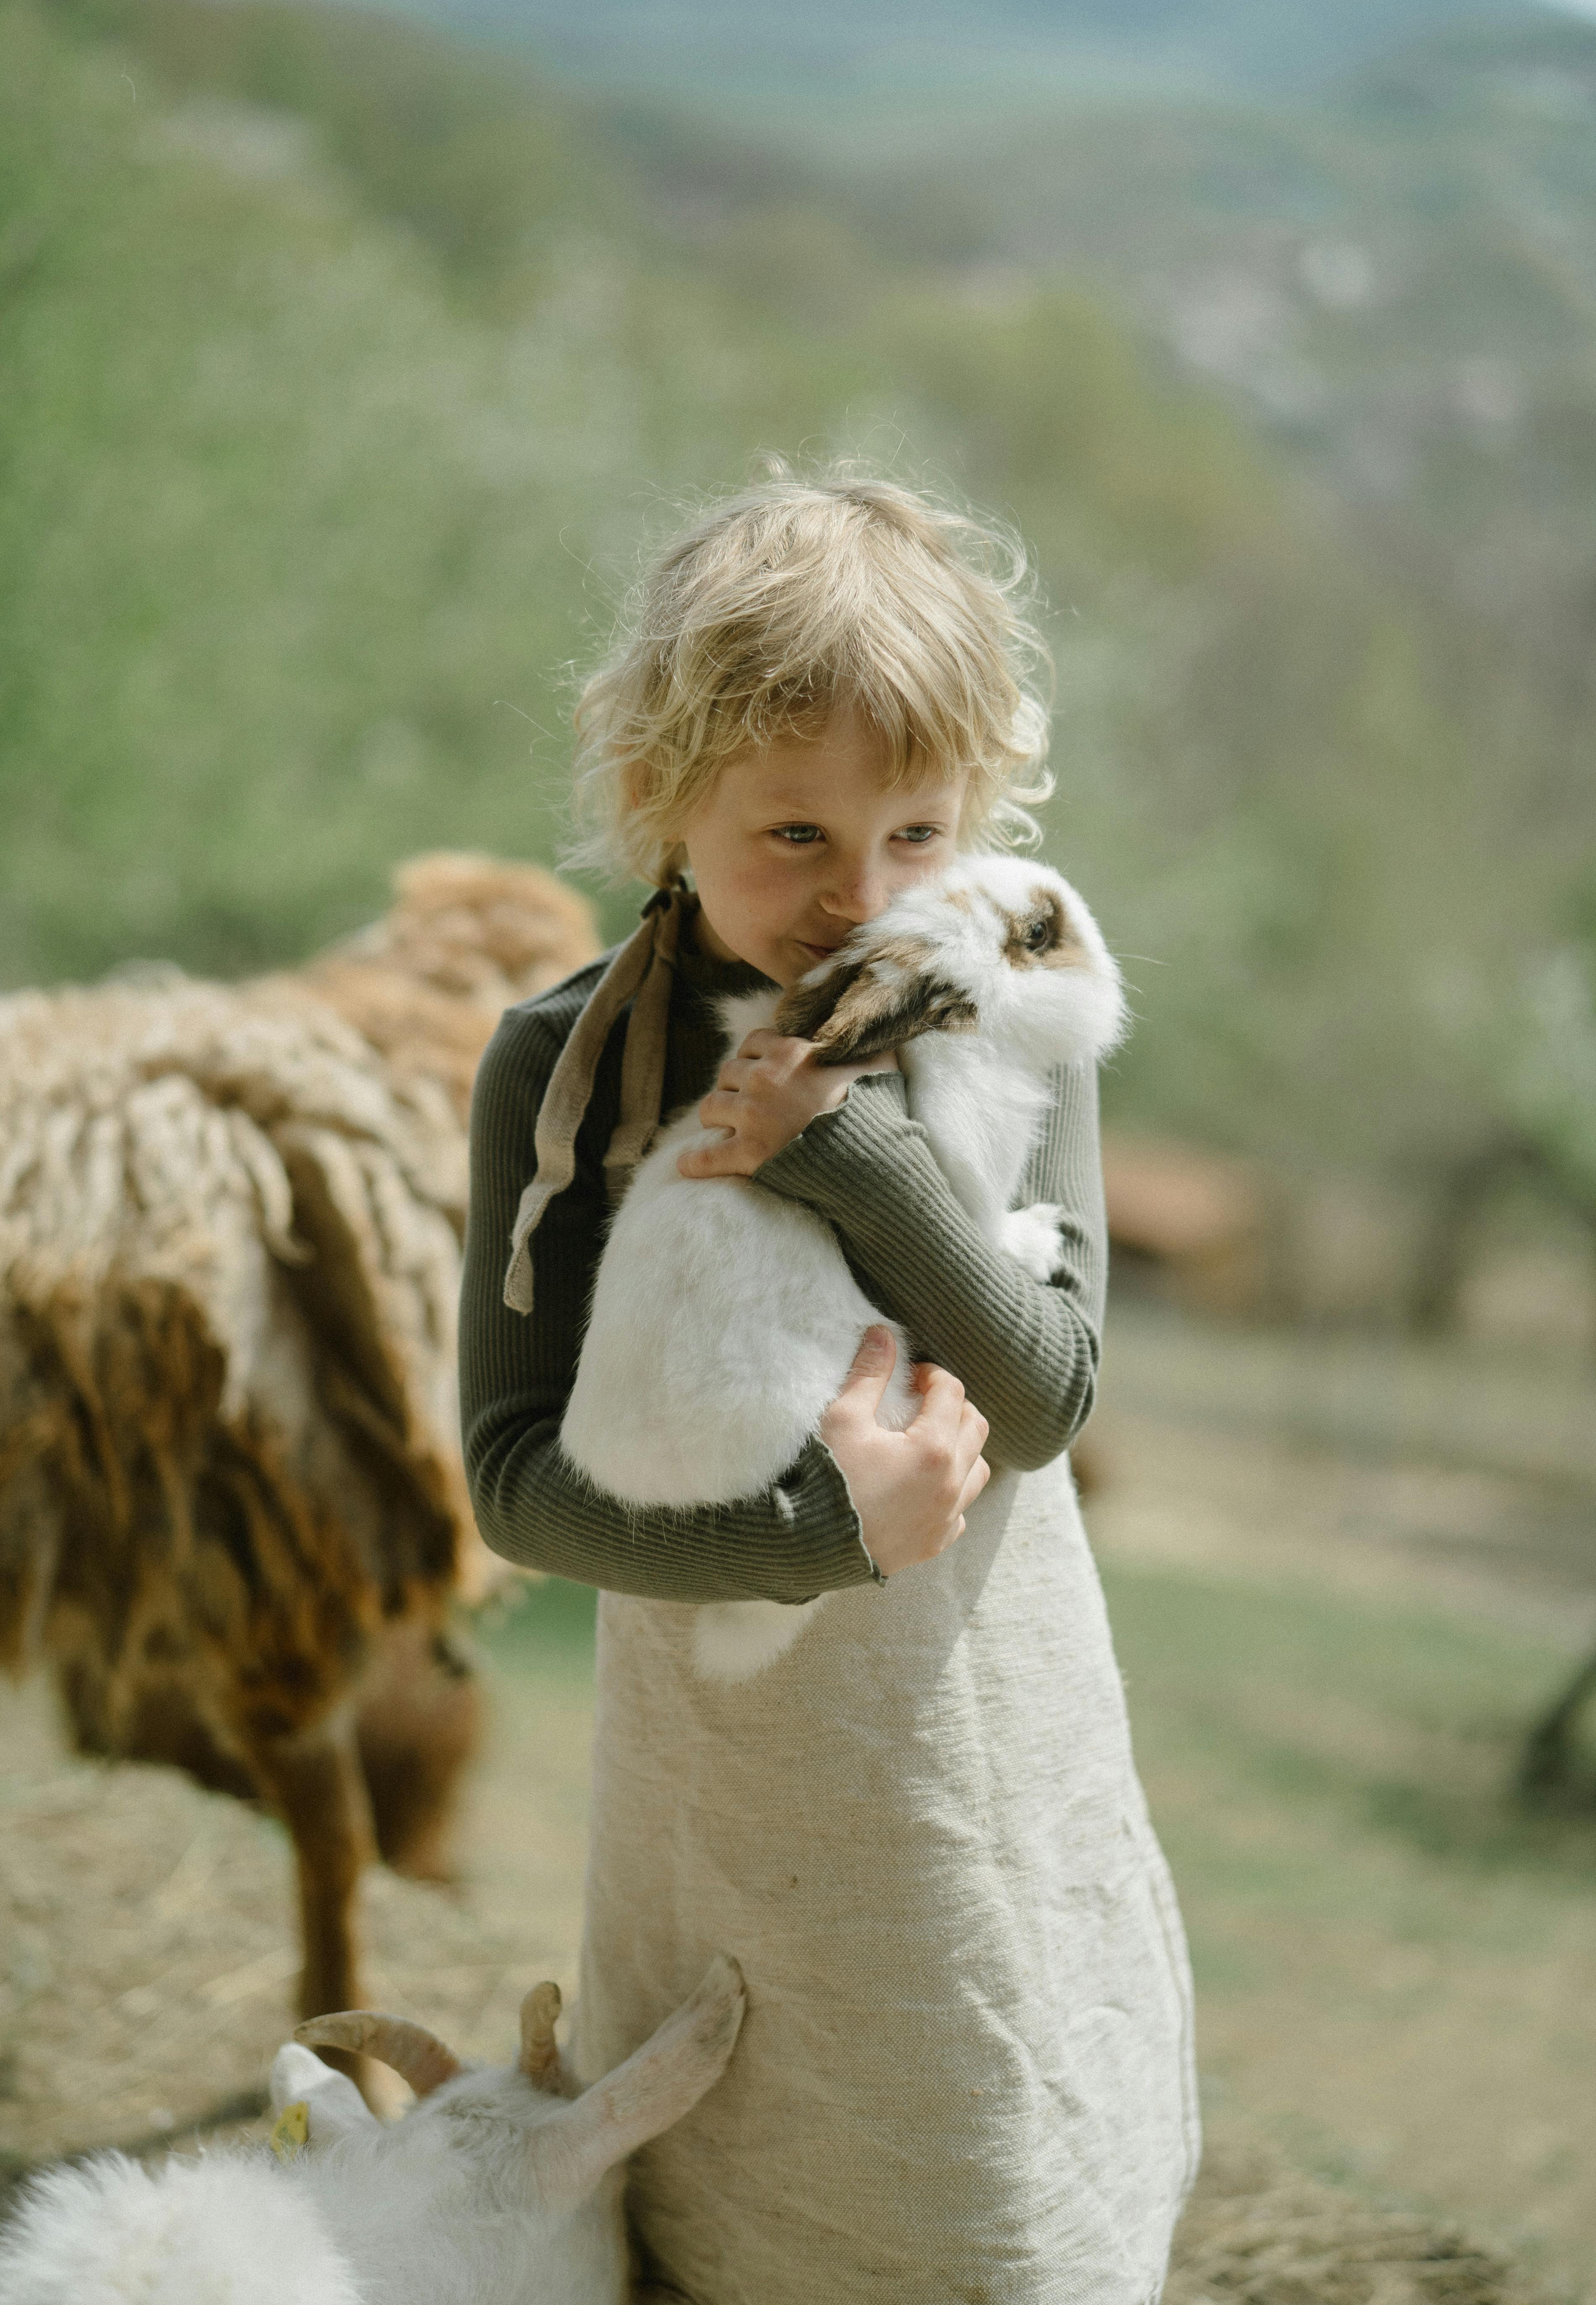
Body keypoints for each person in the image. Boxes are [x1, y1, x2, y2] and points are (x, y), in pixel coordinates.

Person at [459, 469, 1198, 2304]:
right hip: (719, 1723)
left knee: (970, 2125)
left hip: (974, 1697)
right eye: (793, 831)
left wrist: (846, 1146)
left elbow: (1044, 1399)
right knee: (739, 2149)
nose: (861, 895)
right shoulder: (561, 1061)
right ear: (659, 793)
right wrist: (815, 1527)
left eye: (920, 832)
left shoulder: (1014, 1026)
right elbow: (509, 1473)